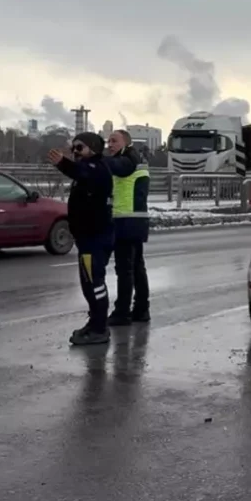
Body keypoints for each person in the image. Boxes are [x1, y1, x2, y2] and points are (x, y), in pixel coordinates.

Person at [48, 133, 115, 345]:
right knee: (89, 282)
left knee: (93, 283)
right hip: (87, 237)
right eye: (73, 147)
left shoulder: (97, 168)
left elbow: (82, 172)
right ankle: (95, 322)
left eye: (80, 147)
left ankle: (99, 328)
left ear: (93, 149)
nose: (75, 151)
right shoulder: (88, 169)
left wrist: (62, 163)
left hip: (95, 238)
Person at [105, 129, 151, 326]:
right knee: (137, 267)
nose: (110, 144)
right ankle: (141, 310)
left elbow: (120, 168)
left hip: (127, 222)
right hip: (134, 221)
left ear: (126, 143)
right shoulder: (133, 158)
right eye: (108, 141)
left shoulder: (128, 159)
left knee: (125, 270)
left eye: (114, 141)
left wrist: (96, 157)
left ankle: (122, 312)